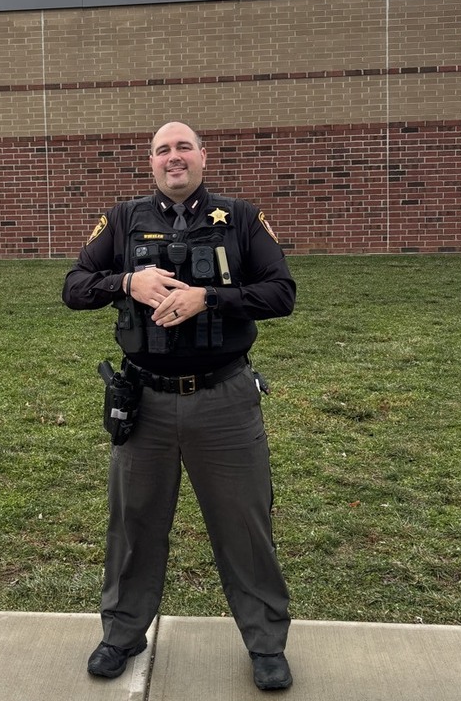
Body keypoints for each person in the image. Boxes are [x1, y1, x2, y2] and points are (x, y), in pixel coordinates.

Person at [62, 121, 296, 691]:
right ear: (151, 162)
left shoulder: (240, 218)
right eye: (163, 149)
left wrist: (209, 297)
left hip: (225, 400)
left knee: (244, 525)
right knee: (134, 525)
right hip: (145, 403)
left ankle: (266, 643)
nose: (174, 157)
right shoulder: (122, 220)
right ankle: (122, 633)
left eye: (183, 147)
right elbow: (74, 287)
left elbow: (281, 293)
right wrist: (127, 283)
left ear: (202, 157)